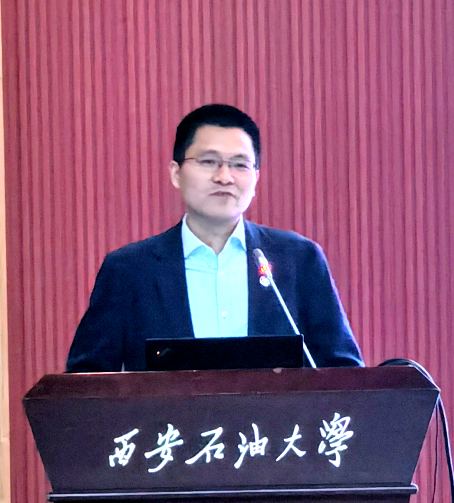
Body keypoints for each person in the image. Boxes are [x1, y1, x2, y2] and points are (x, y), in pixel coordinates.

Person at [66, 104, 364, 372]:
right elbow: (85, 380)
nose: (224, 177)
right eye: (208, 161)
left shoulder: (299, 259)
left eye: (239, 164)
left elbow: (343, 371)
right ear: (176, 173)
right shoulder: (130, 270)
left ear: (256, 178)